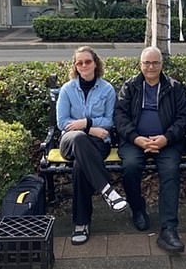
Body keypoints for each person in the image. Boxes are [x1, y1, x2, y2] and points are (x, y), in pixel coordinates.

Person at [114, 46, 186, 253]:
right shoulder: (130, 87)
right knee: (130, 166)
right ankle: (138, 210)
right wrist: (137, 138)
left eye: (155, 62)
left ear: (161, 65)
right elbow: (120, 117)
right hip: (134, 141)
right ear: (140, 64)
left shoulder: (174, 87)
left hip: (167, 142)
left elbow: (183, 118)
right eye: (147, 63)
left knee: (170, 171)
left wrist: (166, 138)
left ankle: (169, 229)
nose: (151, 67)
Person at [56, 46, 128, 246]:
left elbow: (110, 121)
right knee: (79, 138)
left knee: (81, 166)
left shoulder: (106, 89)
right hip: (70, 141)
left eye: (88, 61)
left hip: (98, 143)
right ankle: (107, 190)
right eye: (79, 62)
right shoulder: (67, 89)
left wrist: (85, 123)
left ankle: (81, 223)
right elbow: (63, 123)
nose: (84, 65)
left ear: (95, 63)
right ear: (75, 66)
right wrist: (89, 128)